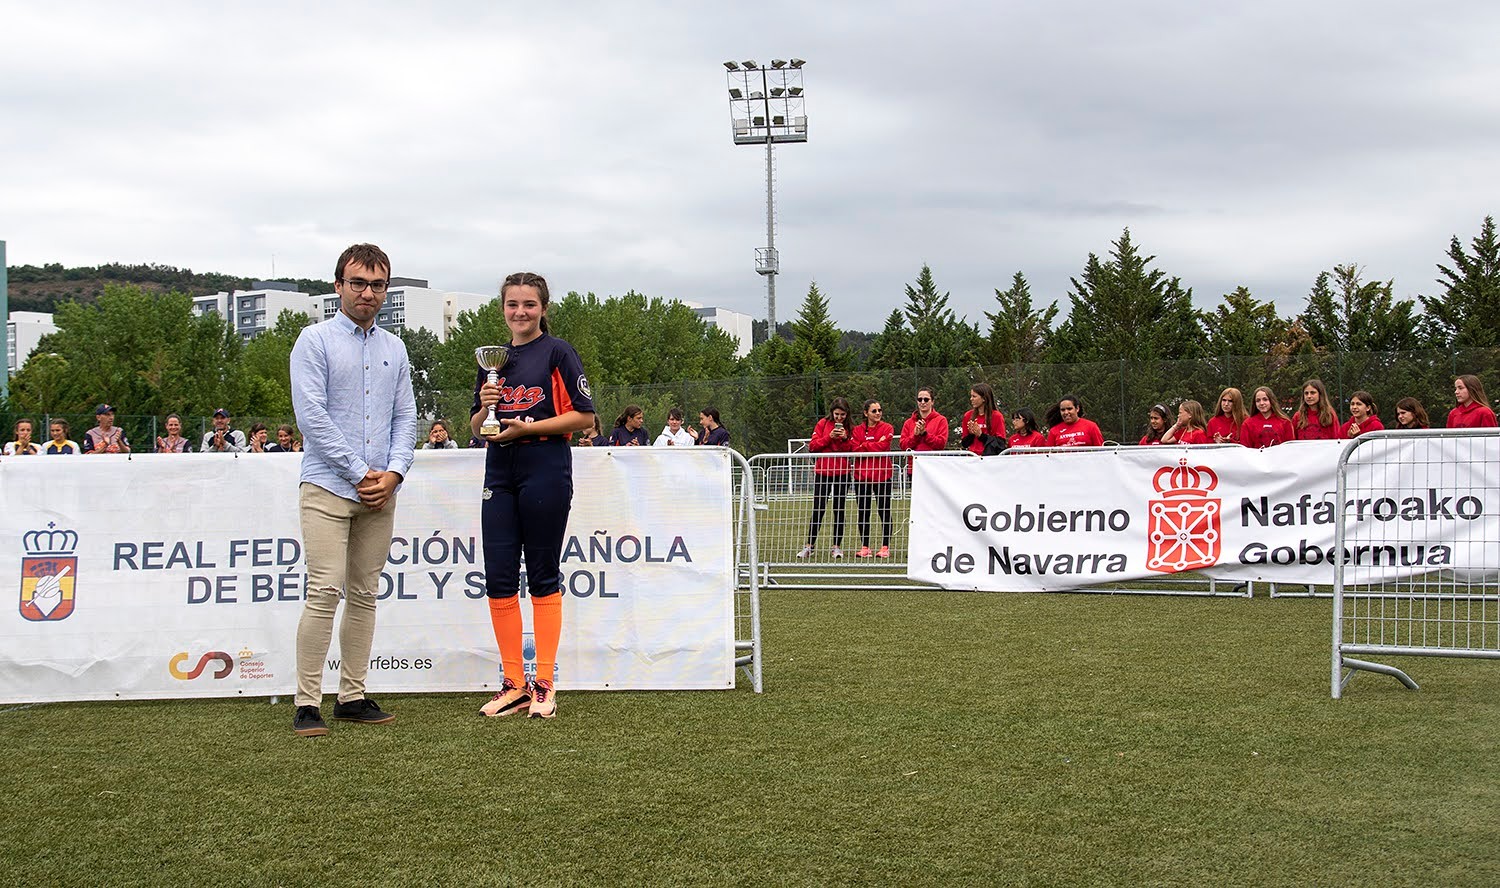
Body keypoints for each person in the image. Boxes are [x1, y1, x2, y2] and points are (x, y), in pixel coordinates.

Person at [289, 243, 418, 738]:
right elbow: (311, 416)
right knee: (323, 591)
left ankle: (352, 695)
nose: (368, 292)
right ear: (338, 285)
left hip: (380, 491)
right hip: (327, 486)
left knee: (364, 594)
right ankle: (307, 703)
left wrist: (395, 473)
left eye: (378, 284)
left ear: (387, 289)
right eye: (358, 282)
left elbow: (406, 416)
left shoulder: (395, 348)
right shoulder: (314, 340)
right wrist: (360, 471)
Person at [472, 272, 595, 721]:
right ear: (502, 308)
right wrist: (487, 405)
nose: (520, 312)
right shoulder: (493, 360)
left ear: (543, 307)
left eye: (529, 304)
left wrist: (529, 428)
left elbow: (584, 418)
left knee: (543, 574)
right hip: (499, 468)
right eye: (512, 304)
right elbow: (475, 428)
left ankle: (544, 682)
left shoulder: (558, 352)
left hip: (545, 465)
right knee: (499, 576)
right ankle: (512, 683)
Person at [798, 397, 853, 559]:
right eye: (837, 414)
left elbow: (852, 449)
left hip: (842, 474)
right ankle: (809, 545)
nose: (839, 418)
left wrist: (844, 438)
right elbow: (813, 447)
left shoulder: (850, 427)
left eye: (842, 415)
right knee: (818, 509)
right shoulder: (822, 424)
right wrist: (829, 436)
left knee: (839, 509)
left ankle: (836, 546)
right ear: (832, 413)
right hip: (823, 473)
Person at [850, 399, 894, 559]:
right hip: (861, 478)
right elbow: (854, 449)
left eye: (879, 410)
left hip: (882, 477)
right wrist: (873, 444)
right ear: (866, 413)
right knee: (863, 512)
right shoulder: (857, 430)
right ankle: (865, 547)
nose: (878, 413)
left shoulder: (887, 428)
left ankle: (885, 547)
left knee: (884, 511)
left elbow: (883, 447)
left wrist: (865, 445)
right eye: (874, 411)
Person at [900, 386, 948, 478]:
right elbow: (903, 445)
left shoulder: (941, 420)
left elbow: (941, 444)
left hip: (933, 467)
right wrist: (915, 436)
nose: (922, 402)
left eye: (926, 399)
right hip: (914, 467)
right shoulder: (908, 422)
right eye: (919, 399)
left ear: (932, 402)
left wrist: (925, 434)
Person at [959, 383, 1006, 455]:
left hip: (989, 458)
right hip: (972, 457)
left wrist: (981, 435)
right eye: (971, 396)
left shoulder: (997, 416)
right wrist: (971, 434)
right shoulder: (968, 415)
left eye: (974, 396)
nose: (971, 399)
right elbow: (965, 444)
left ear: (984, 398)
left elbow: (1000, 443)